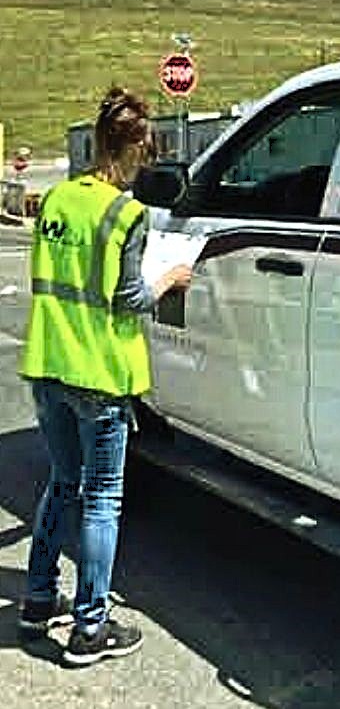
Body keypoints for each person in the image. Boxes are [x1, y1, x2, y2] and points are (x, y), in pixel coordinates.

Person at [16, 87, 193, 666]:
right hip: (99, 373)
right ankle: (91, 627)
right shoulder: (128, 213)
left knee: (62, 483)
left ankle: (37, 599)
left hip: (49, 365)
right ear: (138, 147)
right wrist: (171, 278)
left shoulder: (58, 200)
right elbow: (129, 298)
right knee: (101, 499)